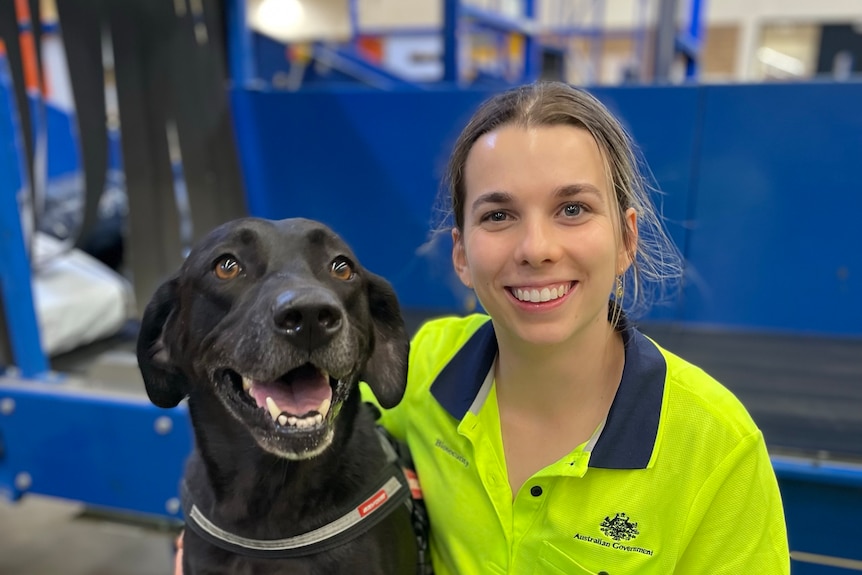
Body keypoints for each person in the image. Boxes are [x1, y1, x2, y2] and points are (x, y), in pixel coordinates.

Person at [173, 81, 790, 573]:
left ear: (626, 238)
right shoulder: (426, 368)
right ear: (462, 254)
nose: (537, 247)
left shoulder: (718, 452)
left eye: (572, 209)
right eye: (499, 215)